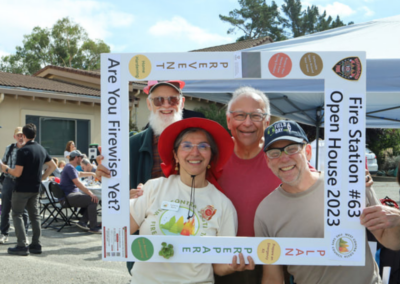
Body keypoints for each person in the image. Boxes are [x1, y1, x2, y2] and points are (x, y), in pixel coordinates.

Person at [254, 120, 398, 284]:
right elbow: (273, 277)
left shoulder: (350, 184)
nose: (284, 158)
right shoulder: (265, 212)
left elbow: (391, 242)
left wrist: (397, 220)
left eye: (292, 149)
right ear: (267, 161)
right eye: (274, 153)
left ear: (308, 151)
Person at [129, 118, 254, 283]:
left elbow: (219, 265)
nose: (195, 152)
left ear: (211, 156)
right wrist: (111, 189)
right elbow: (117, 232)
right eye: (186, 145)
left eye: (203, 146)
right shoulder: (153, 188)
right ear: (176, 155)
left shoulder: (223, 204)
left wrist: (233, 265)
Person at [0, 123, 56, 256]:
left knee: (17, 214)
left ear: (24, 136)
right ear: (35, 135)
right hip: (35, 188)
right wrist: (42, 178)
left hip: (21, 188)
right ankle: (36, 244)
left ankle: (21, 245)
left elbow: (17, 173)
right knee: (35, 216)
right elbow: (52, 166)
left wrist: (6, 169)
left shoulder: (23, 151)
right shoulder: (41, 149)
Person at [59, 150, 100, 233]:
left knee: (90, 198)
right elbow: (78, 183)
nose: (82, 159)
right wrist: (91, 193)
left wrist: (92, 174)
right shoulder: (69, 167)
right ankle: (93, 227)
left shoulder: (69, 167)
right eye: (81, 157)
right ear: (76, 157)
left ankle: (83, 222)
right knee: (94, 200)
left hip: (67, 196)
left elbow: (80, 174)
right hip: (68, 197)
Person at [0, 127, 29, 244]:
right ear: (14, 137)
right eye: (18, 135)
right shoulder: (10, 148)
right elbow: (4, 164)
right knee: (5, 208)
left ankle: (24, 235)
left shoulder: (28, 148)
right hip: (9, 180)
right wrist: (8, 170)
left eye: (22, 135)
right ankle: (4, 233)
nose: (20, 137)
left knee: (23, 210)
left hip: (22, 182)